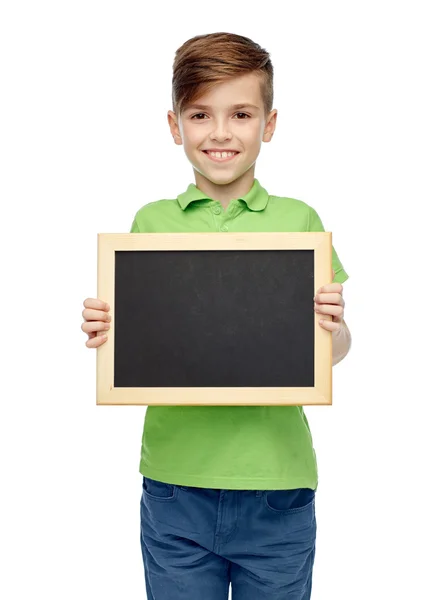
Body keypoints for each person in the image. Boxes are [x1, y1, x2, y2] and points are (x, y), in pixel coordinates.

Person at [81, 32, 351, 600]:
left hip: (277, 483)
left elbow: (336, 347)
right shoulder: (151, 223)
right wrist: (110, 331)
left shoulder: (300, 221)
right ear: (176, 126)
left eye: (242, 114)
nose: (221, 132)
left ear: (269, 124)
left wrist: (334, 327)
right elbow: (150, 339)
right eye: (201, 114)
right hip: (176, 484)